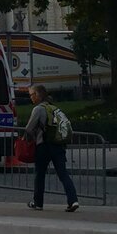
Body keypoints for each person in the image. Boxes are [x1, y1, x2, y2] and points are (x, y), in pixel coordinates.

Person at [21, 84, 79, 212]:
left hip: (44, 146)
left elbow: (29, 129)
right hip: (58, 145)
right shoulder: (55, 108)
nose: (31, 97)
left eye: (31, 95)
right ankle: (73, 200)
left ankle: (38, 203)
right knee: (63, 174)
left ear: (37, 95)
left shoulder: (38, 109)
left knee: (40, 175)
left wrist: (28, 138)